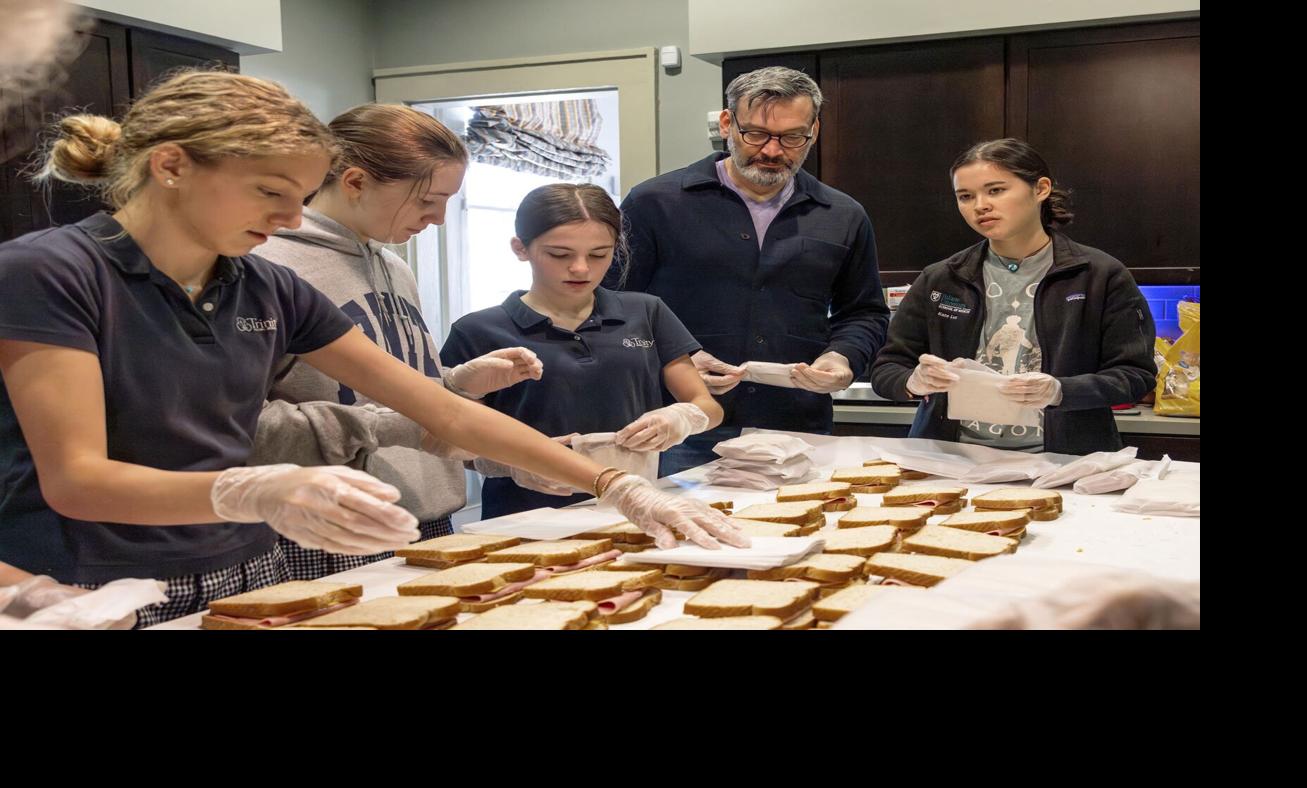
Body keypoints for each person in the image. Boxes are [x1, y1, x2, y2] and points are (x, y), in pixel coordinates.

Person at [0, 71, 744, 626]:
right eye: (271, 193)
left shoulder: (263, 284)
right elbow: (76, 478)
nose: (291, 217)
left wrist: (612, 485)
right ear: (171, 167)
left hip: (241, 563)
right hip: (87, 578)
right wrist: (252, 488)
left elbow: (441, 409)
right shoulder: (51, 273)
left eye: (299, 195)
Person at [251, 103, 541, 578]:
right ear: (356, 182)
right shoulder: (270, 265)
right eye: (427, 201)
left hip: (430, 518)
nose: (439, 219)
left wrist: (452, 383)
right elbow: (243, 424)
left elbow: (385, 390)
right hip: (325, 531)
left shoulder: (395, 267)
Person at [609, 66, 888, 474]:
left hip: (796, 425)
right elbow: (613, 308)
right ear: (727, 123)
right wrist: (676, 359)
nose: (773, 151)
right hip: (679, 425)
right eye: (755, 133)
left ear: (814, 131)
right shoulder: (654, 203)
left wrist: (842, 357)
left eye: (792, 137)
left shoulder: (843, 215)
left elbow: (864, 312)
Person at [441, 183, 720, 519]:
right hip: (526, 516)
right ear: (520, 248)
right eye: (560, 255)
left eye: (599, 255)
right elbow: (447, 437)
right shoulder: (478, 330)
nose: (581, 269)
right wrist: (511, 462)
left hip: (637, 509)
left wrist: (680, 418)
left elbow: (708, 407)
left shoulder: (646, 312)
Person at [869, 138, 1157, 454]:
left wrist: (1061, 390)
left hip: (1063, 461)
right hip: (951, 459)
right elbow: (887, 369)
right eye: (965, 196)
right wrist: (913, 381)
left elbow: (1136, 375)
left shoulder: (1099, 275)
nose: (980, 205)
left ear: (1041, 189)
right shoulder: (941, 278)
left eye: (995, 190)